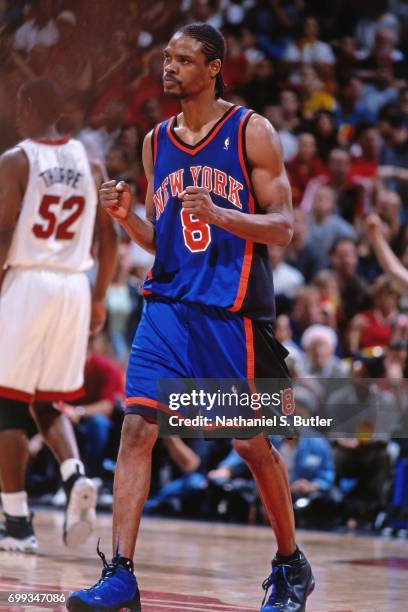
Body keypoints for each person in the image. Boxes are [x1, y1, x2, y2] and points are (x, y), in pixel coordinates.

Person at [68, 23, 314, 612]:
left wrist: (228, 216)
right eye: (166, 58)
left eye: (183, 59)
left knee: (251, 446)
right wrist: (128, 220)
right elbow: (169, 243)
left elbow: (285, 227)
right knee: (137, 428)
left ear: (213, 68)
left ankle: (290, 565)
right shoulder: (156, 142)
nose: (169, 67)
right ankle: (122, 574)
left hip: (230, 313)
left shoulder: (252, 131)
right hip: (168, 305)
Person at [0, 77, 118, 552]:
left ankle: (17, 523)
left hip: (28, 280)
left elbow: (4, 235)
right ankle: (75, 480)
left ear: (27, 104)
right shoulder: (91, 163)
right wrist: (99, 298)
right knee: (48, 401)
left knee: (7, 404)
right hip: (74, 285)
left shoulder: (16, 160)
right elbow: (109, 240)